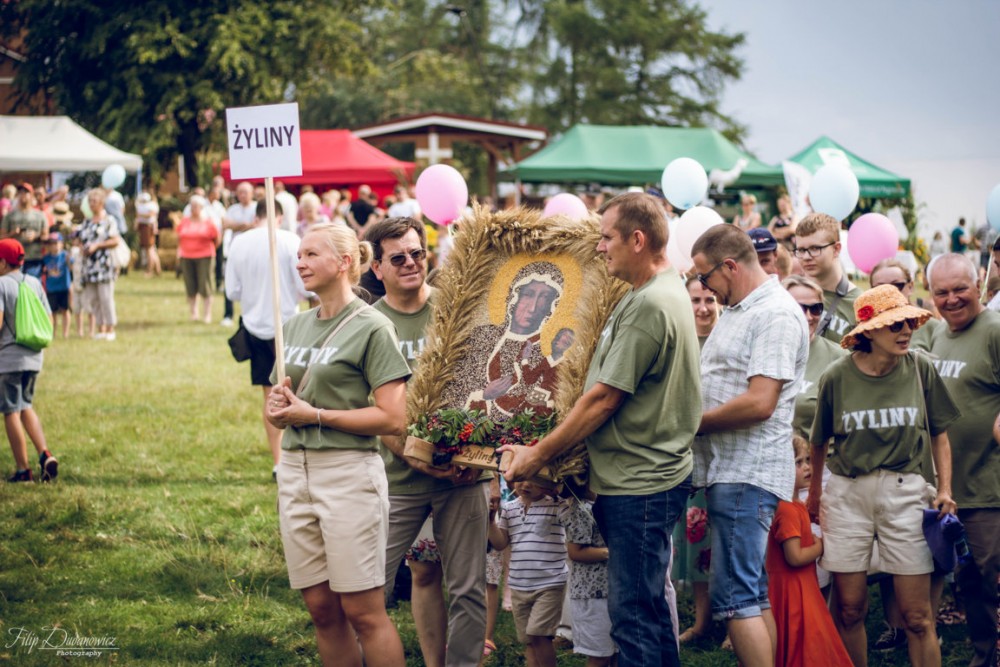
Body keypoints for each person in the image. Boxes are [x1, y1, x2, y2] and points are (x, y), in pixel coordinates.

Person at [503, 192, 701, 666]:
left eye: (607, 237)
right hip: (638, 480)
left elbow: (604, 398)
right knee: (647, 610)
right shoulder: (649, 291)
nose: (599, 247)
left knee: (632, 617)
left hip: (641, 486)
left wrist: (539, 454)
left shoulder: (652, 304)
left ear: (638, 240)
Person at [265, 222, 411, 667]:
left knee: (363, 611)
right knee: (321, 610)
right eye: (299, 255)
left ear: (345, 262)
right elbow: (278, 402)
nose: (299, 263)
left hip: (348, 474)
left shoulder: (373, 327)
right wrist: (277, 409)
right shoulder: (293, 326)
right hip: (295, 472)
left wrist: (316, 416)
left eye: (311, 254)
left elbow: (393, 417)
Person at [807, 283, 958, 667]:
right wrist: (815, 496)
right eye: (895, 325)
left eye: (908, 322)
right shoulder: (836, 376)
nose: (906, 331)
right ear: (869, 331)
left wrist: (945, 488)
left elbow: (940, 434)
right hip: (847, 494)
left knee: (917, 616)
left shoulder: (920, 368)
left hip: (905, 492)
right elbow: (819, 440)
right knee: (850, 609)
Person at [366, 216, 489, 667]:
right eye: (397, 258)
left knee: (468, 589)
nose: (411, 264)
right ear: (377, 268)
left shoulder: (455, 309)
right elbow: (370, 407)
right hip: (397, 479)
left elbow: (484, 382)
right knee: (370, 586)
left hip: (463, 475)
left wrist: (479, 459)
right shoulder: (367, 323)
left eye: (417, 253)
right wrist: (413, 456)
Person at [691, 223, 809, 667]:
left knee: (735, 597)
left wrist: (693, 424)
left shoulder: (774, 314)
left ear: (730, 266)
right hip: (730, 470)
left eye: (706, 277)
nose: (704, 287)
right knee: (751, 593)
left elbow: (761, 402)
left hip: (748, 471)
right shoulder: (742, 308)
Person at [927, 253, 1000, 667]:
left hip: (988, 483)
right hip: (949, 487)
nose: (951, 299)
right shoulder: (938, 334)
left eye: (960, 289)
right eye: (942, 292)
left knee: (987, 577)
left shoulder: (995, 331)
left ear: (979, 285)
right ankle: (984, 654)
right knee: (970, 578)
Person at [225, 200, 308, 480]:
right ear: (279, 217)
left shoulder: (239, 242)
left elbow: (232, 291)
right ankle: (291, 458)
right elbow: (304, 287)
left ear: (255, 215)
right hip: (288, 325)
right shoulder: (290, 239)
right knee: (297, 390)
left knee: (269, 394)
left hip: (255, 324)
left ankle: (278, 461)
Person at [767, 436, 852, 667]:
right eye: (798, 462)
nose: (806, 467)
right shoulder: (786, 509)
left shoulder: (796, 505)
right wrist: (820, 546)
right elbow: (794, 557)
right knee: (804, 642)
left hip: (803, 586)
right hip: (792, 590)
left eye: (808, 460)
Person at [672, 277, 718, 645]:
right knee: (696, 538)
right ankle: (702, 621)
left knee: (726, 541)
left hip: (720, 448)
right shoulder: (679, 340)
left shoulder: (726, 340)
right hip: (686, 453)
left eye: (710, 299)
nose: (703, 308)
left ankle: (734, 619)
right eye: (696, 300)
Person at [488, 480, 567, 667]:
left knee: (539, 634)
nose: (526, 485)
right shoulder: (509, 508)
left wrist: (557, 492)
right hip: (519, 584)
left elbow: (573, 518)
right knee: (529, 640)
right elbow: (500, 543)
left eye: (534, 480)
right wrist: (490, 521)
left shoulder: (557, 504)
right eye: (521, 479)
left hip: (549, 583)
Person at [0, 239, 58, 483]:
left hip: (9, 360)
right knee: (25, 406)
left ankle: (23, 470)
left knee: (10, 411)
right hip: (34, 358)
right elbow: (49, 319)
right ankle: (45, 454)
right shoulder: (34, 282)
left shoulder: (1, 284)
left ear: (3, 263)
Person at [783, 275, 848, 438]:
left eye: (815, 309)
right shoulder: (762, 350)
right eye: (799, 308)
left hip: (817, 452)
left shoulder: (839, 358)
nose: (808, 316)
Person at [562, 489, 615, 667]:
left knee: (616, 653)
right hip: (592, 594)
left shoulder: (607, 502)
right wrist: (614, 552)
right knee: (599, 657)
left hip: (611, 590)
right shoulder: (581, 508)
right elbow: (575, 552)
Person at [793, 213, 862, 344]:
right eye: (801, 250)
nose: (806, 257)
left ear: (836, 249)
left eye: (815, 248)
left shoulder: (859, 303)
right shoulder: (792, 295)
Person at [869, 258, 941, 351]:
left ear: (910, 287)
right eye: (881, 288)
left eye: (897, 286)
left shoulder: (932, 327)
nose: (889, 294)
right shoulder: (868, 329)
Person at [77, 189, 120, 341]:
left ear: (102, 202)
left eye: (94, 201)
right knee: (94, 299)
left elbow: (115, 240)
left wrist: (97, 246)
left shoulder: (109, 220)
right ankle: (100, 328)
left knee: (106, 298)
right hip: (89, 266)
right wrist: (83, 248)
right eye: (90, 201)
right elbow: (80, 239)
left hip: (104, 265)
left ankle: (110, 328)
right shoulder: (87, 222)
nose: (92, 204)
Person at [176, 195, 220, 324]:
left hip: (205, 256)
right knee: (190, 285)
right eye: (192, 206)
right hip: (186, 256)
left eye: (196, 206)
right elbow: (179, 236)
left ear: (201, 207)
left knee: (205, 284)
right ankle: (194, 313)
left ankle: (207, 314)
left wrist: (209, 250)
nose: (193, 208)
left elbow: (217, 239)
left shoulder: (208, 222)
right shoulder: (184, 221)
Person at [221, 182, 258, 327]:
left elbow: (257, 225)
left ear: (252, 193)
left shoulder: (257, 207)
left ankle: (251, 314)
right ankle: (228, 314)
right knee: (230, 281)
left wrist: (237, 225)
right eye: (240, 192)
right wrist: (246, 225)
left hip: (253, 251)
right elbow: (226, 224)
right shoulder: (233, 209)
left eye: (245, 192)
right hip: (235, 251)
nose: (242, 195)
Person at [1, 183, 48, 279]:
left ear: (32, 195)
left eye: (26, 192)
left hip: (33, 258)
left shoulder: (40, 215)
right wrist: (12, 234)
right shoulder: (9, 216)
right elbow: (1, 237)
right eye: (20, 192)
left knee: (32, 286)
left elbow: (46, 237)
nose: (23, 195)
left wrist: (35, 236)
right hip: (13, 261)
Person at [42, 235, 71, 339]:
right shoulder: (45, 258)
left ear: (61, 244)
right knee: (52, 312)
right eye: (52, 244)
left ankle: (65, 333)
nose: (54, 246)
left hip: (64, 288)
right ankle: (52, 333)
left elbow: (72, 266)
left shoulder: (66, 256)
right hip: (51, 288)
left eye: (56, 243)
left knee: (65, 310)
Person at [135, 191, 161, 276]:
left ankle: (150, 270)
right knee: (151, 249)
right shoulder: (152, 205)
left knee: (149, 249)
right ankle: (157, 269)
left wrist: (141, 215)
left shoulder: (150, 206)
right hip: (147, 228)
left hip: (148, 228)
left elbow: (150, 215)